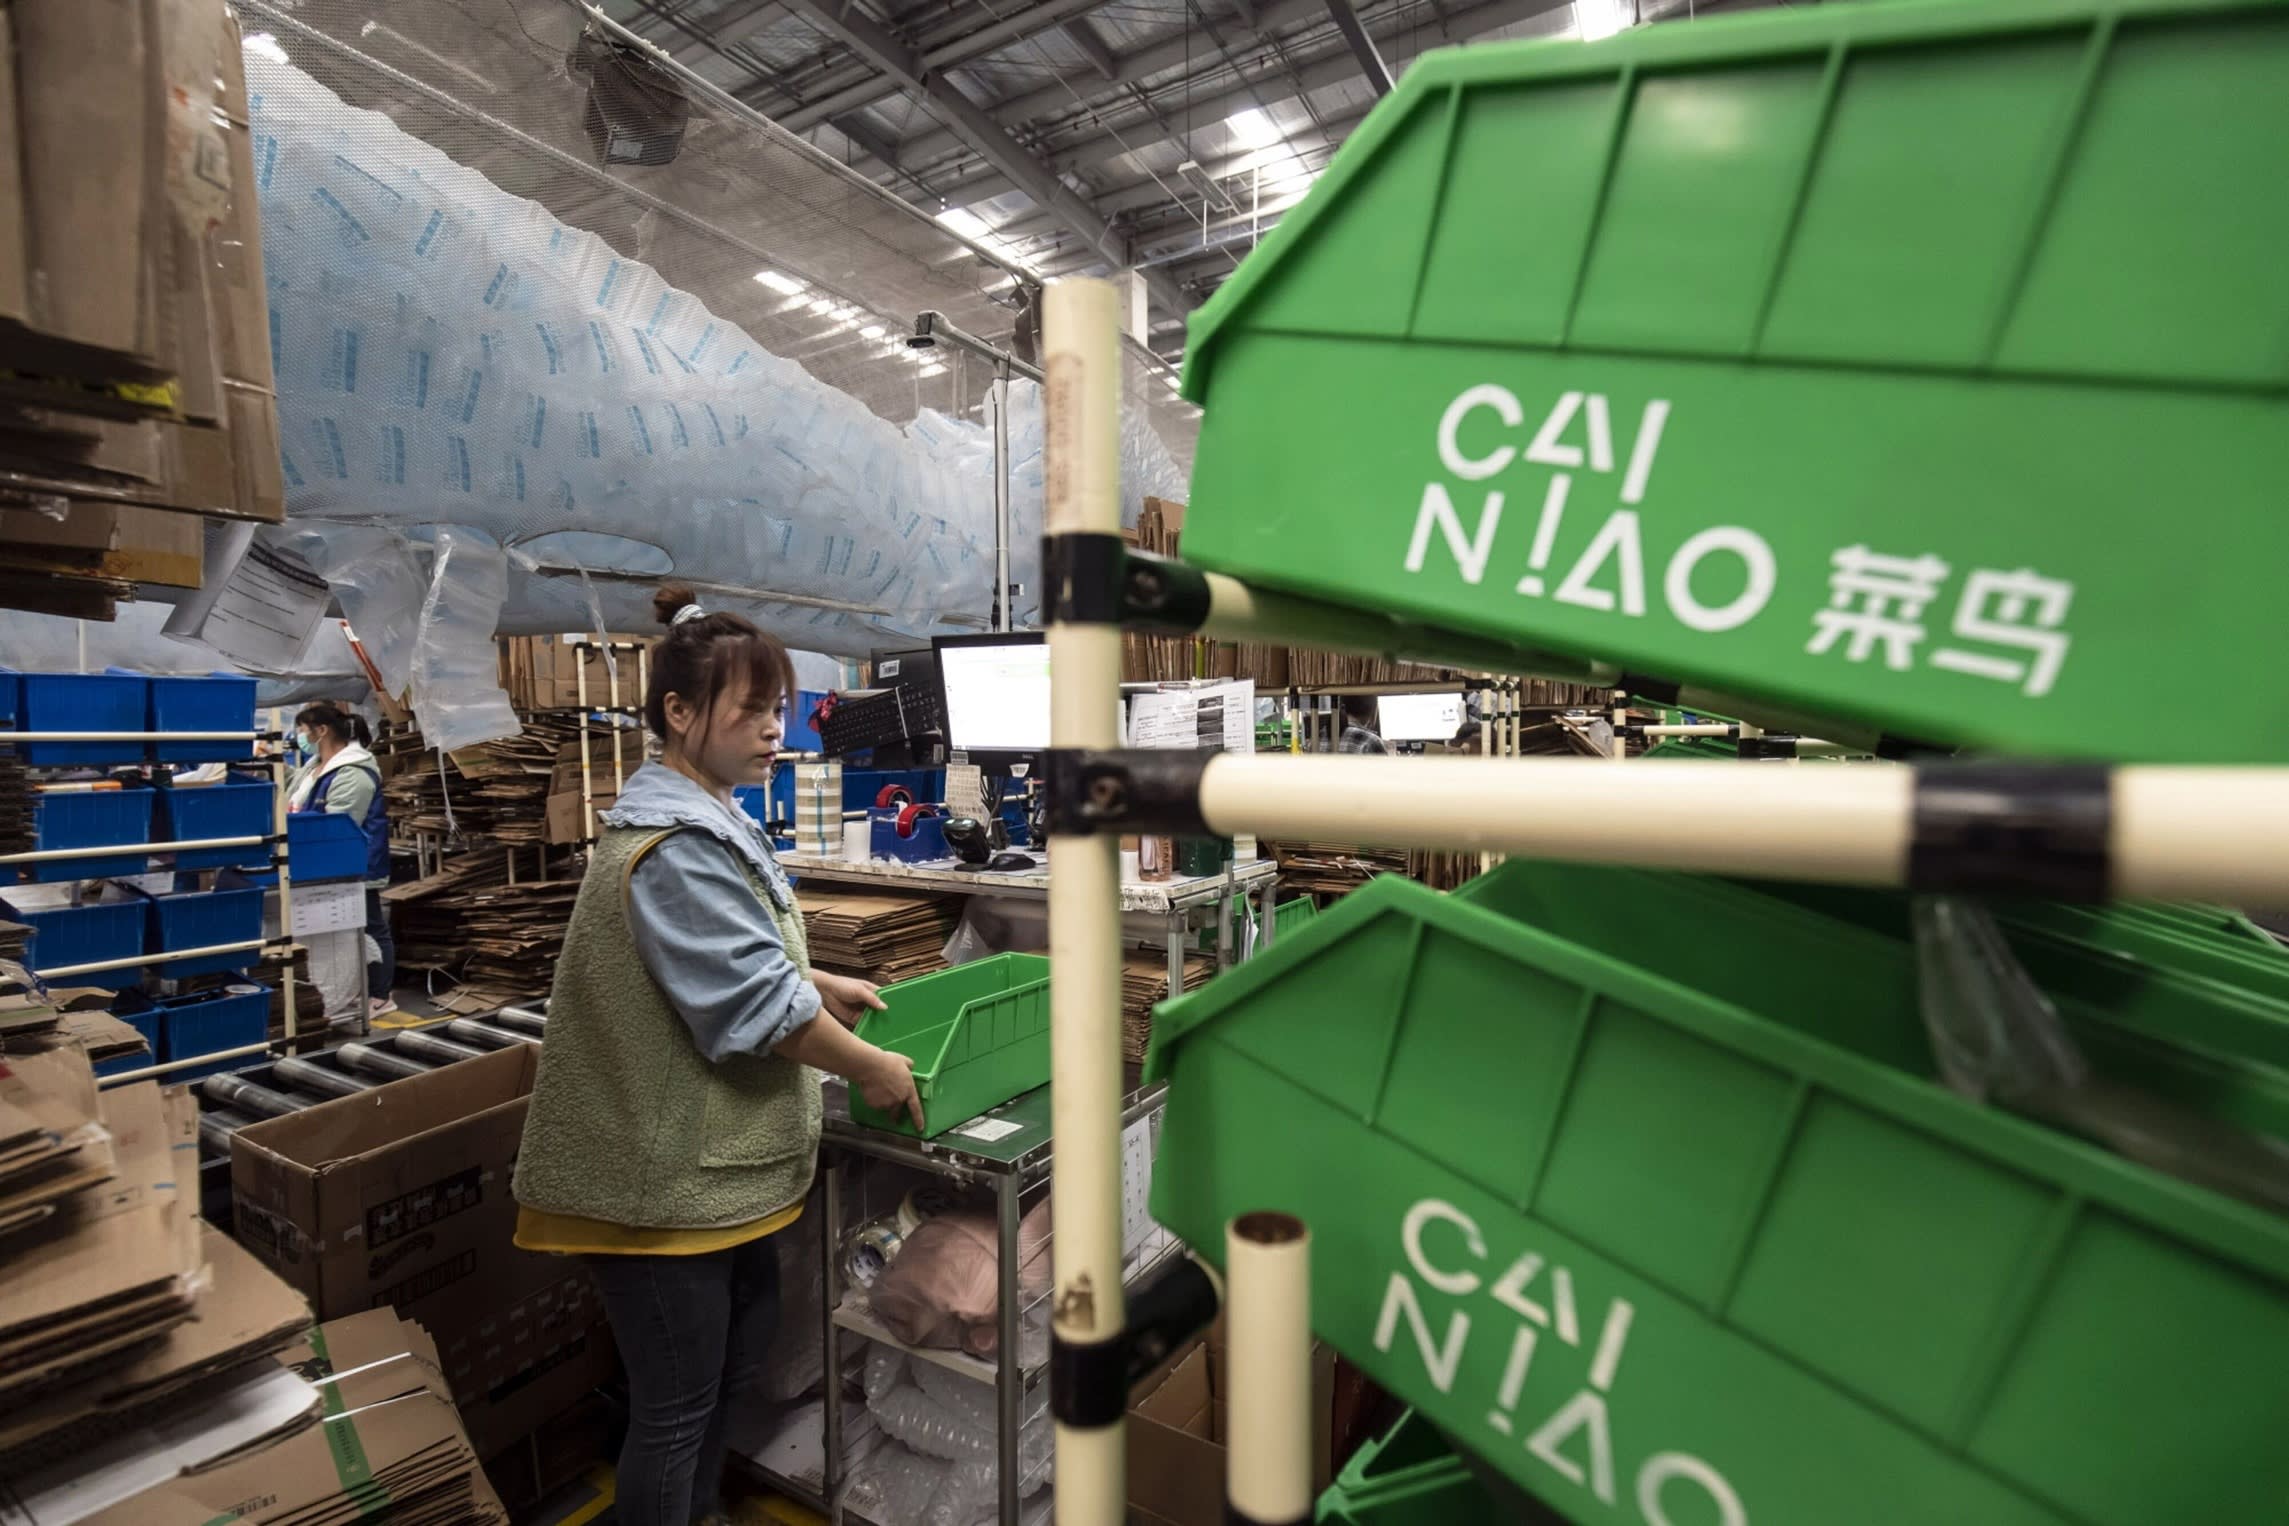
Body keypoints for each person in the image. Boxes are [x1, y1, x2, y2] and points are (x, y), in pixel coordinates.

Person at [512, 585, 925, 1526]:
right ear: (680, 714)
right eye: (751, 711)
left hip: (707, 1177)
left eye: (779, 708)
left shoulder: (711, 817)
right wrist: (868, 1067)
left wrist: (815, 983)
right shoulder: (674, 844)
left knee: (724, 1377)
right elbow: (751, 1006)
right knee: (675, 1409)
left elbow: (728, 961)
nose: (775, 730)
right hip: (654, 1184)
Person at [288, 702, 394, 1026]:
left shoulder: (354, 770)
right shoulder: (313, 767)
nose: (299, 737)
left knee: (372, 926)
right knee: (346, 932)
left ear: (321, 731)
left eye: (303, 730)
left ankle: (381, 995)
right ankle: (354, 990)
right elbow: (292, 800)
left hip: (357, 862)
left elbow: (340, 823)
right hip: (324, 864)